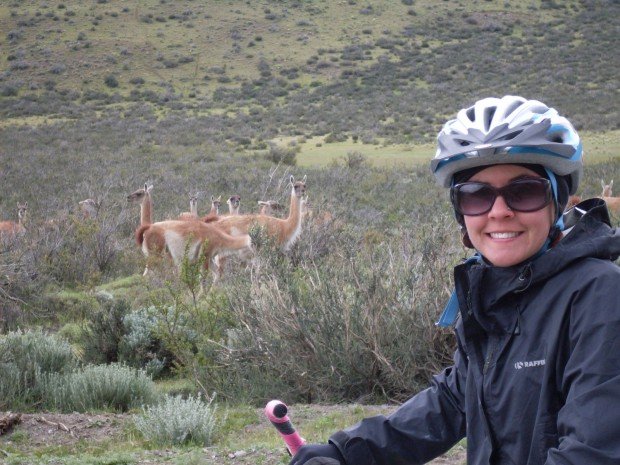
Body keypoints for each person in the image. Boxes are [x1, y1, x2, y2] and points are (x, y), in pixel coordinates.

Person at [289, 95, 620, 465]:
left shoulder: (600, 294)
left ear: (557, 201)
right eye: (476, 196)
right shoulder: (498, 291)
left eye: (524, 192)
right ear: (460, 212)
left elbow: (594, 451)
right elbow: (453, 399)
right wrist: (348, 453)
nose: (499, 212)